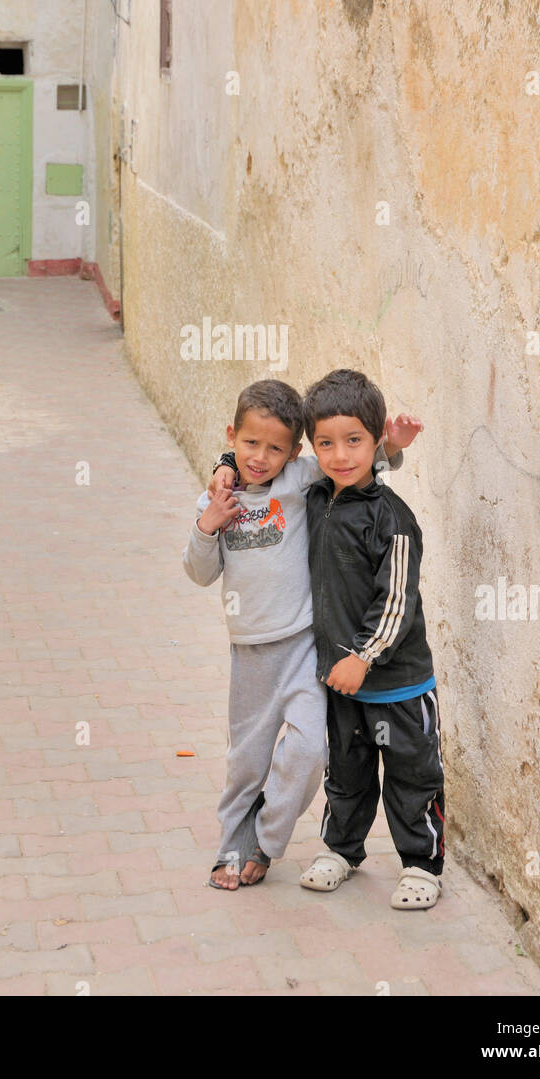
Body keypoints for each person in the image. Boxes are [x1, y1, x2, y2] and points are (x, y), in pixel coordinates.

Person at [185, 378, 420, 889]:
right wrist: (207, 524)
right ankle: (233, 844)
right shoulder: (217, 499)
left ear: (294, 453)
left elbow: (354, 466)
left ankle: (266, 841)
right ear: (231, 436)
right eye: (249, 445)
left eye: (275, 448)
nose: (260, 457)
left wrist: (393, 447)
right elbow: (200, 573)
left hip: (304, 649)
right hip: (250, 656)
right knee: (246, 761)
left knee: (311, 750)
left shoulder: (298, 481)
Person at [297, 368, 444, 910]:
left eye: (354, 441)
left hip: (398, 683)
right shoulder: (316, 499)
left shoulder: (393, 520)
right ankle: (341, 849)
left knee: (412, 774)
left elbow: (396, 602)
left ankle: (421, 865)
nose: (340, 455)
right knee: (347, 772)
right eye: (326, 443)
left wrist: (363, 656)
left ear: (375, 440)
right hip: (342, 682)